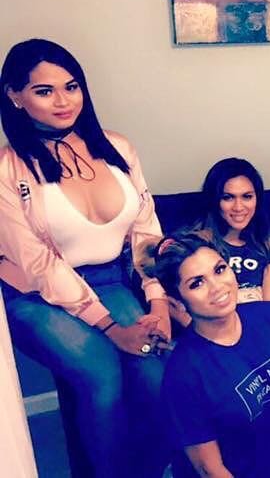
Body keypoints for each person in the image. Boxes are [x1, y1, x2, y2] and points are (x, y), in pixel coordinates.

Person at [0, 39, 170, 478]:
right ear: (15, 96)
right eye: (44, 91)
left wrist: (158, 301)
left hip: (111, 281)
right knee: (101, 375)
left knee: (153, 370)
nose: (63, 101)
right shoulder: (8, 168)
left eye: (71, 86)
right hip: (36, 295)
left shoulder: (117, 148)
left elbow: (146, 230)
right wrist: (112, 327)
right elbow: (37, 263)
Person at [145, 232, 270, 478]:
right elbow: (209, 469)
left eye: (219, 270)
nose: (217, 287)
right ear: (177, 302)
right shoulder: (184, 373)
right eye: (197, 283)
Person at [196, 158, 270, 304]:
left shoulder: (264, 241)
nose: (238, 207)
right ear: (214, 201)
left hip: (260, 314)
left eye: (247, 197)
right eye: (228, 198)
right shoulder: (197, 243)